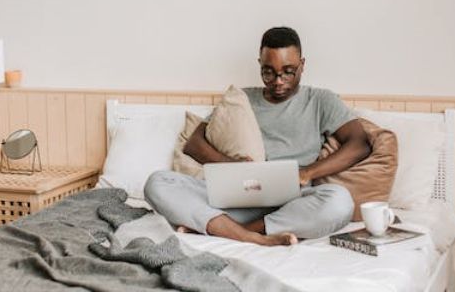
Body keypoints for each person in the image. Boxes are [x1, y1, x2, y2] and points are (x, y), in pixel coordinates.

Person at [144, 27, 371, 246]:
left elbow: (360, 144)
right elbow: (194, 144)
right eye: (268, 72)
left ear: (302, 65)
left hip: (293, 203)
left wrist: (306, 173)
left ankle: (236, 230)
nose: (278, 81)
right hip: (238, 197)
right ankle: (251, 236)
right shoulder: (240, 98)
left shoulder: (320, 100)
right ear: (260, 64)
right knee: (158, 182)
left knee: (340, 202)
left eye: (288, 72)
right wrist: (232, 166)